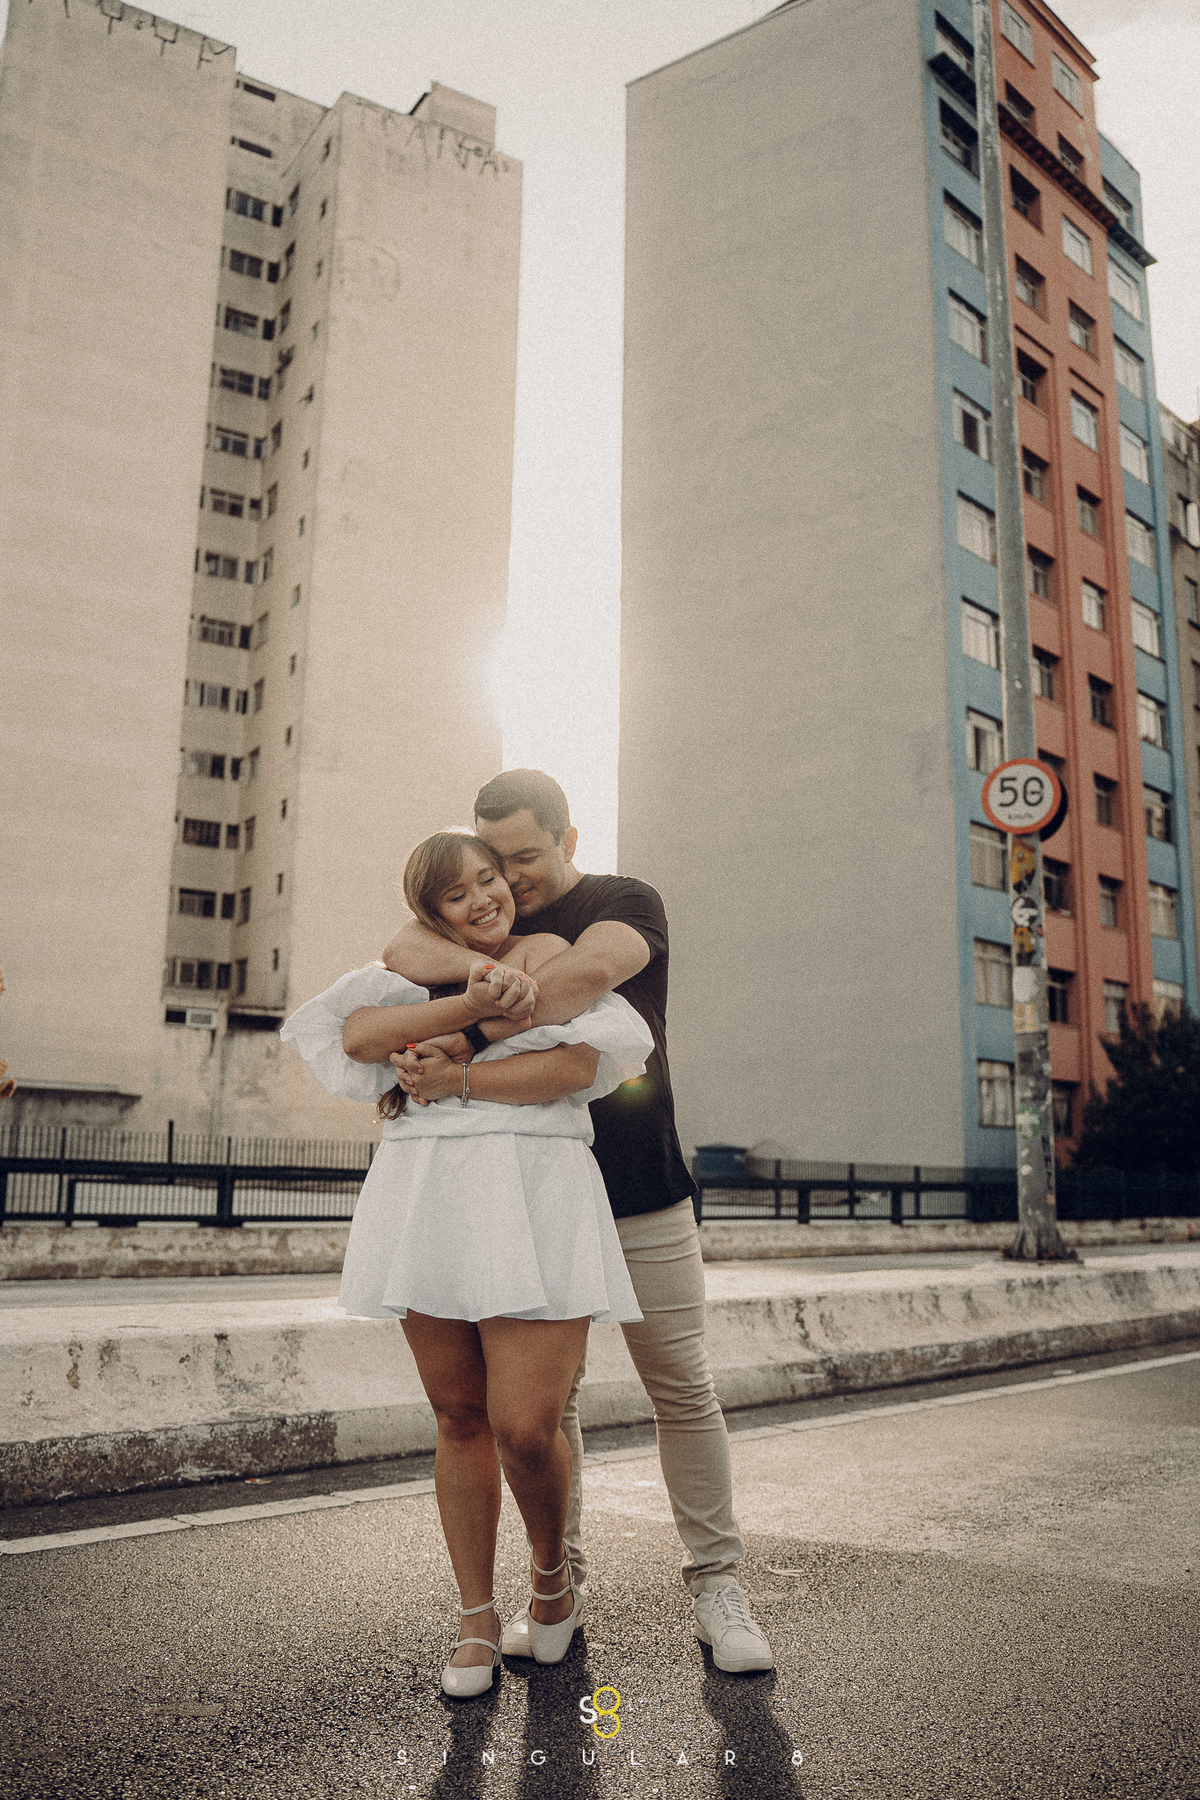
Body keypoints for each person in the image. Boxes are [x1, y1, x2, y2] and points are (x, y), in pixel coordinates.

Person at [382, 771, 775, 1674]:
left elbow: (589, 978)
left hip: (640, 1187)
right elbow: (402, 941)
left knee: (679, 1385)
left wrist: (471, 1029)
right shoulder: (488, 929)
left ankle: (719, 1586)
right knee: (543, 1410)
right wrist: (481, 971)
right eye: (492, 863)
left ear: (567, 839)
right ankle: (562, 1576)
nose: (508, 881)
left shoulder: (622, 901)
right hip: (535, 1196)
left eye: (524, 857)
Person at [280, 830, 652, 1699]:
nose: (486, 897)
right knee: (458, 1417)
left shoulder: (547, 954)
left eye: (491, 878)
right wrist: (466, 1006)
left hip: (533, 1183)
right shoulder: (409, 970)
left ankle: (553, 1577)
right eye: (460, 892)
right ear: (431, 911)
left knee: (526, 1424)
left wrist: (458, 1074)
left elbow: (574, 1062)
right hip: (427, 1187)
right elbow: (366, 1034)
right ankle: (476, 1618)